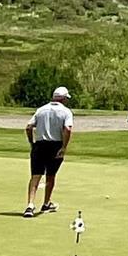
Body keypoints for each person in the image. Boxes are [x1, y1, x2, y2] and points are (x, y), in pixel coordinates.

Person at [25, 86, 74, 215]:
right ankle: (46, 203)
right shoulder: (66, 112)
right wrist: (63, 147)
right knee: (50, 176)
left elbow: (29, 127)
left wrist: (32, 143)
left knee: (35, 176)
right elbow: (67, 129)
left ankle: (30, 205)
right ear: (63, 99)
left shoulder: (41, 110)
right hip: (55, 146)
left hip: (39, 145)